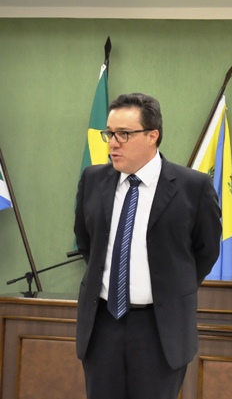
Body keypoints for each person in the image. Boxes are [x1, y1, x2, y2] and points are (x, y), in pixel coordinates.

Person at [74, 93, 222, 399]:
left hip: (159, 329)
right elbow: (87, 243)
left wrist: (170, 288)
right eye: (109, 133)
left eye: (123, 134)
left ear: (152, 136)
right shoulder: (92, 180)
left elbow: (205, 251)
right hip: (102, 326)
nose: (113, 143)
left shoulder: (193, 187)